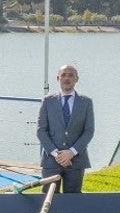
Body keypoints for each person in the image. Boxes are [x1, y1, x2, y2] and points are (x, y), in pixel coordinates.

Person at [36, 64, 95, 193]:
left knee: (72, 204)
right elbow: (41, 130)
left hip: (76, 161)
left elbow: (89, 131)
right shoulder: (47, 101)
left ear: (76, 79)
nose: (66, 78)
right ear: (58, 78)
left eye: (70, 75)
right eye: (63, 75)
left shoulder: (86, 102)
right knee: (49, 199)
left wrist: (71, 152)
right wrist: (57, 155)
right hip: (51, 161)